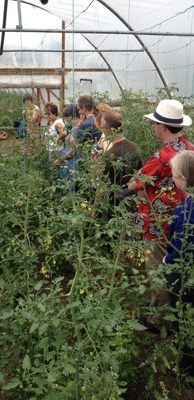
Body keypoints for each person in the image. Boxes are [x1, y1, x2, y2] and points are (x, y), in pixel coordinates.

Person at [127, 99, 194, 333]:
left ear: (163, 126)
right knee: (176, 266)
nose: (153, 127)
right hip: (181, 220)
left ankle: (158, 321)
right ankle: (177, 313)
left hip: (157, 221)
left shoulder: (163, 155)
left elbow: (137, 183)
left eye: (155, 123)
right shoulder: (189, 148)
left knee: (158, 269)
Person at [164, 150, 194, 377]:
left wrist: (167, 261)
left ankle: (185, 367)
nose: (172, 178)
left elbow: (178, 251)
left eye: (174, 174)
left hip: (184, 278)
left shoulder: (184, 212)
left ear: (183, 179)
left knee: (183, 318)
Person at [93, 111, 142, 217]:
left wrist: (94, 210)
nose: (101, 128)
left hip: (114, 204)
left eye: (102, 127)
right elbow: (139, 173)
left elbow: (102, 186)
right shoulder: (135, 147)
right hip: (131, 200)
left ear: (110, 131)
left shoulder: (110, 155)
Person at [52, 104, 79, 191]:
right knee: (65, 184)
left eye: (68, 119)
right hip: (67, 160)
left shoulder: (77, 129)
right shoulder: (74, 128)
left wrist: (59, 160)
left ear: (73, 117)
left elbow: (73, 150)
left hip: (71, 161)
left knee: (70, 186)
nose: (67, 122)